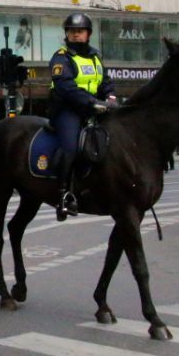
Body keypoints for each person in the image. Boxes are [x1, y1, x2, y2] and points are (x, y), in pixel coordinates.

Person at [48, 13, 117, 221]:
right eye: (71, 31)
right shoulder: (61, 57)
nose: (75, 35)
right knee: (71, 147)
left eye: (80, 31)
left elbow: (104, 81)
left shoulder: (96, 56)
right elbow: (66, 87)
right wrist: (92, 102)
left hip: (94, 109)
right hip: (68, 111)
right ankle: (62, 196)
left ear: (88, 34)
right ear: (66, 34)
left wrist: (110, 97)